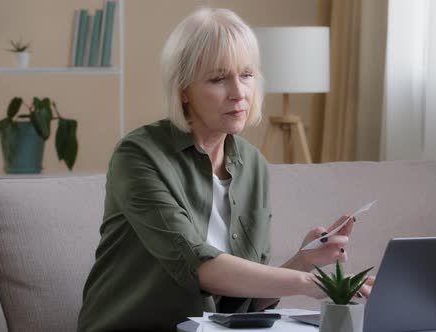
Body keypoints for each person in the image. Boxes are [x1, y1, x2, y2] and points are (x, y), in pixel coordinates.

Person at [77, 7, 373, 332]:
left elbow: (246, 300)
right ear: (183, 90)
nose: (239, 93)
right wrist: (306, 282)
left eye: (246, 75)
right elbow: (198, 266)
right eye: (219, 79)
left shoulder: (253, 164)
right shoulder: (138, 156)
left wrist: (304, 260)